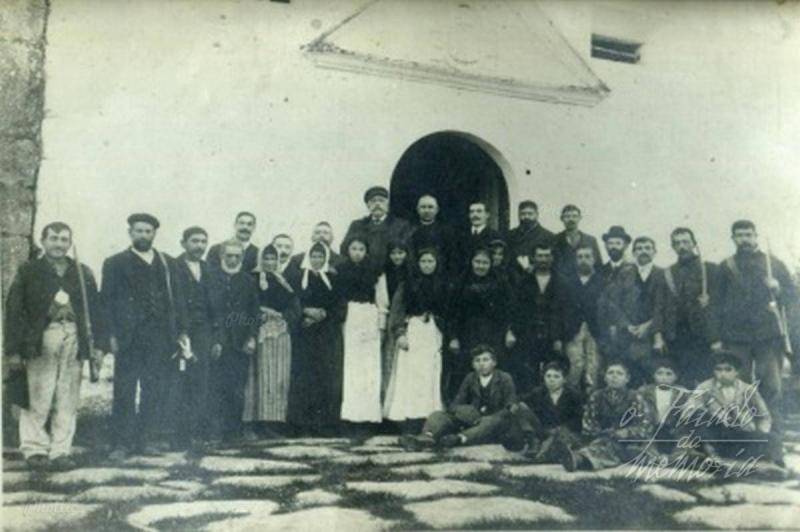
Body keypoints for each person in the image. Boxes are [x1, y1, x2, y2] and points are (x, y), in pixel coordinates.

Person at [4, 222, 105, 470]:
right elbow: (14, 310)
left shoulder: (81, 272)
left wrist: (98, 347)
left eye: (64, 240)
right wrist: (13, 350)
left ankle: (61, 450)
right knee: (38, 393)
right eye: (54, 238)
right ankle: (34, 449)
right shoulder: (29, 270)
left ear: (70, 243)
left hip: (74, 334)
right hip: (42, 337)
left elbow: (96, 309)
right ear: (43, 241)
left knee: (67, 395)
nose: (59, 244)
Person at [101, 213, 188, 460]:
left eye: (148, 231)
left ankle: (147, 439)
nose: (143, 235)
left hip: (160, 338)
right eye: (138, 231)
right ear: (130, 233)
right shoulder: (115, 263)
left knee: (155, 389)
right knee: (125, 390)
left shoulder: (167, 263)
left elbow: (178, 299)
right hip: (129, 338)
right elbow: (106, 302)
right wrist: (111, 336)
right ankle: (122, 443)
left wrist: (181, 331)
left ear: (154, 234)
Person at [713, 220, 797, 465]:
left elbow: (792, 296)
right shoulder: (726, 267)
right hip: (735, 337)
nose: (745, 239)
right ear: (733, 238)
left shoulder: (773, 264)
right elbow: (716, 304)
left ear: (756, 236)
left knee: (771, 389)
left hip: (767, 338)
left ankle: (774, 449)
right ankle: (741, 448)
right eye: (740, 235)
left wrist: (778, 288)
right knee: (736, 391)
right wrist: (716, 337)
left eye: (749, 234)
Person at [399, 345, 517, 450]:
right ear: (473, 364)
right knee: (438, 415)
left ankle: (458, 439)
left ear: (494, 363)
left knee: (491, 422)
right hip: (472, 419)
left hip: (494, 423)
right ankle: (426, 437)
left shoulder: (504, 378)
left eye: (486, 360)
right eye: (477, 360)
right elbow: (456, 404)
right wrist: (466, 412)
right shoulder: (470, 378)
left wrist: (489, 417)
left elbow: (510, 406)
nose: (481, 364)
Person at [384, 248, 448, 431]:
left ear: (436, 263)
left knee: (430, 374)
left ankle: (428, 418)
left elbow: (448, 311)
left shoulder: (443, 284)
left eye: (431, 261)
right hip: (413, 330)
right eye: (423, 261)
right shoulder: (407, 284)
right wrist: (399, 333)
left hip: (432, 332)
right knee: (411, 374)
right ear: (417, 264)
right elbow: (397, 311)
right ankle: (409, 419)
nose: (427, 265)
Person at [168, 226, 219, 452]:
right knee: (179, 383)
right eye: (194, 241)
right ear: (183, 243)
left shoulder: (209, 269)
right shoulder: (172, 267)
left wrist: (216, 337)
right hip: (180, 333)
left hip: (204, 334)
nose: (199, 246)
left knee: (201, 382)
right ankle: (176, 436)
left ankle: (195, 433)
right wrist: (179, 332)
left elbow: (215, 306)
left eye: (203, 242)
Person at [242, 244, 301, 439]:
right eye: (266, 258)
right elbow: (248, 305)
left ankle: (270, 423)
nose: (269, 262)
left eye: (273, 258)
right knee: (256, 378)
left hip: (281, 334)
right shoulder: (251, 279)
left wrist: (284, 316)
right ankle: (250, 424)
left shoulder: (282, 281)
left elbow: (294, 306)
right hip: (259, 333)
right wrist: (263, 314)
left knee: (277, 378)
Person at [286, 242, 345, 435]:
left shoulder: (333, 278)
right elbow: (291, 301)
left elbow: (339, 305)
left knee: (325, 376)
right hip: (304, 333)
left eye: (320, 256)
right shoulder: (297, 277)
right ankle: (301, 425)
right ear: (308, 258)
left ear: (325, 258)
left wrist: (324, 314)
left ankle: (323, 425)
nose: (317, 260)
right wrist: (305, 312)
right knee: (303, 376)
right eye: (314, 256)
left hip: (326, 334)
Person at [682, 350, 777, 464]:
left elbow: (764, 416)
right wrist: (711, 415)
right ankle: (710, 453)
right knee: (698, 415)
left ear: (737, 372)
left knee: (772, 438)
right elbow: (690, 409)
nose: (723, 374)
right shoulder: (705, 387)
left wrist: (760, 431)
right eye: (718, 369)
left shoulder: (748, 389)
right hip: (716, 433)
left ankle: (776, 463)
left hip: (740, 432)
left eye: (728, 369)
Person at [560, 360, 656, 471]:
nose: (614, 376)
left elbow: (645, 425)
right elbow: (588, 422)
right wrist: (602, 432)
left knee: (627, 451)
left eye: (619, 373)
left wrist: (626, 432)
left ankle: (579, 459)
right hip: (603, 439)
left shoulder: (635, 397)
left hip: (629, 442)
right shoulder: (597, 396)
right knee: (603, 445)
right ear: (605, 378)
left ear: (627, 379)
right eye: (610, 373)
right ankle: (580, 459)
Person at [208, 240, 259, 444]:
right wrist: (215, 340)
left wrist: (252, 337)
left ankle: (234, 432)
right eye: (229, 255)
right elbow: (207, 312)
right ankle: (215, 432)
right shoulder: (210, 278)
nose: (233, 259)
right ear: (222, 256)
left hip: (240, 343)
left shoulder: (248, 281)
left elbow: (254, 312)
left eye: (237, 256)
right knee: (215, 387)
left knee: (237, 388)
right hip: (216, 343)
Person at [657, 227, 720, 387]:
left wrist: (710, 301)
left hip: (704, 336)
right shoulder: (668, 273)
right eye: (677, 243)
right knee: (681, 381)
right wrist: (658, 336)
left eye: (685, 242)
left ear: (694, 244)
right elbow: (660, 306)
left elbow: (722, 304)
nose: (682, 246)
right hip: (677, 337)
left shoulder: (710, 269)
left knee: (705, 381)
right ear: (673, 247)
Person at [447, 247, 512, 401]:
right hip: (467, 333)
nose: (480, 266)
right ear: (471, 262)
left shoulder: (500, 282)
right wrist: (453, 337)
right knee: (467, 367)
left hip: (493, 332)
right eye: (477, 262)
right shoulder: (461, 282)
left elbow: (509, 309)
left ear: (491, 264)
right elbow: (452, 312)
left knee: (491, 365)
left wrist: (509, 331)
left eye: (485, 262)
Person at [606, 236, 668, 387]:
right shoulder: (624, 274)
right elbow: (613, 303)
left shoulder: (664, 274)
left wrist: (649, 325)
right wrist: (626, 325)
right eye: (639, 248)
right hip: (628, 336)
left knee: (652, 377)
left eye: (647, 248)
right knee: (629, 377)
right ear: (633, 253)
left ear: (654, 252)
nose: (643, 251)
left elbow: (666, 306)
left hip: (653, 336)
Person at [338, 237, 383, 428]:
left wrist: (381, 325)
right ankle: (350, 418)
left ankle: (369, 418)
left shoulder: (375, 271)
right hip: (350, 316)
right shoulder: (340, 270)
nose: (357, 253)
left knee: (369, 367)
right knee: (351, 366)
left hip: (369, 316)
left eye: (361, 249)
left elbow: (382, 300)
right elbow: (338, 297)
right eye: (353, 248)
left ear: (366, 252)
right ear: (348, 250)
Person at [554, 244, 608, 394]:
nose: (584, 260)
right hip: (572, 330)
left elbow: (608, 310)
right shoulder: (566, 282)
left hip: (595, 330)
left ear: (594, 259)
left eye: (587, 256)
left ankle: (592, 399)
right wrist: (557, 336)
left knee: (593, 365)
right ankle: (572, 399)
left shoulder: (603, 281)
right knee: (575, 365)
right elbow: (558, 310)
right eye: (580, 257)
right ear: (575, 260)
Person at [507, 244, 560, 392]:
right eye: (540, 256)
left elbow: (564, 312)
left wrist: (558, 337)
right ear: (533, 258)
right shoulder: (524, 281)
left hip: (551, 335)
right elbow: (515, 309)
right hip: (528, 334)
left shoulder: (560, 282)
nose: (543, 259)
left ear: (552, 258)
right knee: (527, 373)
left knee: (551, 372)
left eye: (547, 256)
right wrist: (513, 331)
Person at [508, 361, 583, 461]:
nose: (551, 380)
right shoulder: (539, 392)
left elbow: (577, 420)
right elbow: (520, 399)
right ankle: (533, 440)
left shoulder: (573, 395)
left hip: (565, 432)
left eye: (556, 377)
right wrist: (513, 404)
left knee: (551, 449)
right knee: (520, 407)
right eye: (548, 376)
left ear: (564, 379)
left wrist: (559, 429)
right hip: (544, 430)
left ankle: (544, 452)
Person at [340, 186, 412, 273]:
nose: (377, 204)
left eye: (381, 200)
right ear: (368, 205)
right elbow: (344, 250)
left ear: (387, 204)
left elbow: (408, 252)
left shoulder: (401, 226)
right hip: (363, 273)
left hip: (392, 273)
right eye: (373, 201)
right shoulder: (357, 225)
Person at [375, 240, 411, 397]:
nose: (397, 257)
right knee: (388, 356)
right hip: (389, 317)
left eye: (400, 253)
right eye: (393, 253)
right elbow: (381, 299)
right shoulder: (383, 274)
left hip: (408, 319)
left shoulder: (411, 273)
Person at [637, 357, 689, 455]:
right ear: (653, 375)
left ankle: (675, 457)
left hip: (672, 430)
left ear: (676, 377)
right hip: (651, 429)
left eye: (669, 374)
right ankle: (653, 455)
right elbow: (640, 412)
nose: (664, 377)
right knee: (647, 447)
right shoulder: (644, 391)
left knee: (683, 445)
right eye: (659, 373)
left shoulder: (682, 393)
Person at [505, 200, 555, 283]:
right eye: (523, 214)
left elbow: (553, 261)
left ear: (537, 215)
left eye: (530, 214)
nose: (526, 217)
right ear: (518, 215)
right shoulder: (510, 235)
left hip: (537, 281)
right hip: (513, 281)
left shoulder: (548, 236)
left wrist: (535, 267)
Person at [552, 205, 602, 279]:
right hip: (562, 282)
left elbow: (598, 265)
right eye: (567, 216)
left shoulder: (590, 240)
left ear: (580, 218)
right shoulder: (554, 240)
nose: (571, 219)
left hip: (584, 281)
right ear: (561, 219)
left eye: (574, 216)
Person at [409, 194, 456, 273]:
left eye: (430, 207)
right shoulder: (410, 230)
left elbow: (450, 256)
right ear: (417, 209)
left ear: (437, 210)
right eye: (423, 207)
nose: (426, 210)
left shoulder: (446, 231)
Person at [454, 201, 502, 274]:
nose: (475, 215)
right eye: (472, 212)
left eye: (479, 211)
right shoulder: (460, 235)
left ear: (487, 215)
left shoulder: (495, 236)